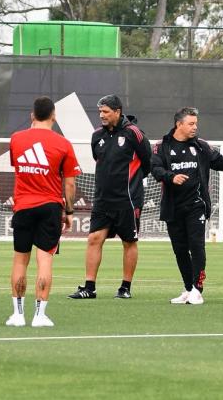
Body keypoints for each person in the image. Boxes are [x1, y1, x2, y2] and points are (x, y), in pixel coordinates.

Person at [151, 107, 223, 305]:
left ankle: (198, 290)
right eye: (191, 124)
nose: (195, 127)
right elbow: (155, 169)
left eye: (196, 123)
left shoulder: (200, 146)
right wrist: (171, 177)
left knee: (196, 246)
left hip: (196, 205)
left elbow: (221, 162)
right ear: (179, 124)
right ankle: (188, 288)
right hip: (172, 207)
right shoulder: (161, 146)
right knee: (180, 249)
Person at [5, 97, 81, 328]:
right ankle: (39, 315)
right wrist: (68, 211)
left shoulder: (16, 139)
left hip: (23, 206)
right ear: (54, 116)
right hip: (50, 207)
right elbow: (69, 184)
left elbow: (17, 168)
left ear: (31, 115)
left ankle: (18, 315)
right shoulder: (63, 143)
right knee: (44, 261)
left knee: (20, 260)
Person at [71, 94, 152, 300]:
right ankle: (89, 287)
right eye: (100, 112)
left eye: (106, 112)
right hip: (102, 200)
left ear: (117, 112)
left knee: (129, 241)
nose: (102, 115)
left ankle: (125, 287)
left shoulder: (134, 133)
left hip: (128, 199)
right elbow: (99, 160)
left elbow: (148, 161)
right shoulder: (96, 135)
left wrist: (131, 184)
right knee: (94, 239)